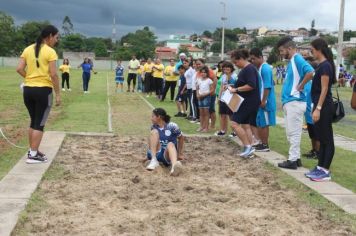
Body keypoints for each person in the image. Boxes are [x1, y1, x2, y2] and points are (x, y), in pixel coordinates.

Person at [16, 25, 61, 164]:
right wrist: (58, 94)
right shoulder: (50, 52)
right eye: (56, 37)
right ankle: (33, 155)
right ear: (49, 36)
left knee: (34, 121)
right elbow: (53, 74)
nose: (57, 40)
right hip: (43, 91)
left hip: (28, 90)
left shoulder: (27, 49)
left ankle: (33, 150)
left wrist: (29, 78)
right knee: (39, 124)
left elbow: (19, 69)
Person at [298, 38, 336, 181]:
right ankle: (320, 167)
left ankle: (325, 171)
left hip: (324, 106)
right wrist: (301, 85)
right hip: (319, 105)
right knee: (321, 137)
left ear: (319, 49)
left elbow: (325, 89)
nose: (310, 52)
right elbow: (311, 76)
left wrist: (318, 108)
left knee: (327, 139)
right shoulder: (321, 65)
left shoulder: (326, 66)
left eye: (312, 49)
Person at [276, 37, 314, 169]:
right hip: (291, 102)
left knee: (294, 132)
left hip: (295, 101)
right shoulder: (292, 61)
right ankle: (296, 158)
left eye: (282, 51)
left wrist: (301, 85)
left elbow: (310, 72)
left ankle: (292, 160)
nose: (281, 54)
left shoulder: (297, 59)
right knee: (290, 132)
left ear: (290, 48)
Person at [229, 49, 260, 158]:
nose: (235, 65)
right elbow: (243, 84)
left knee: (234, 123)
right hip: (249, 100)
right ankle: (249, 148)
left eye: (236, 62)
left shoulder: (249, 69)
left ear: (241, 58)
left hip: (248, 102)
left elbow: (251, 85)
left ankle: (247, 146)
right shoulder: (246, 69)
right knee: (246, 125)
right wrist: (232, 87)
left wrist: (236, 89)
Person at [249, 48, 277, 152]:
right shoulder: (260, 68)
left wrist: (263, 101)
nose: (252, 61)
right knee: (260, 122)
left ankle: (265, 145)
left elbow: (267, 86)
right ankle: (261, 143)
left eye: (253, 59)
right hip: (261, 101)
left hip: (265, 101)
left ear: (260, 57)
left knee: (264, 123)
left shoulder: (265, 69)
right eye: (251, 59)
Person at [146, 108, 184, 176]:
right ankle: (153, 160)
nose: (151, 118)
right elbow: (151, 143)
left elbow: (181, 138)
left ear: (159, 117)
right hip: (158, 152)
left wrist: (179, 153)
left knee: (170, 144)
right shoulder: (153, 127)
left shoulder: (172, 126)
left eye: (153, 116)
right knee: (154, 132)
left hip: (167, 155)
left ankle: (174, 167)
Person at [215, 62, 237, 136]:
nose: (225, 69)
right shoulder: (223, 76)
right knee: (222, 115)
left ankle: (234, 132)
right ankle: (223, 130)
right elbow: (221, 87)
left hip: (231, 98)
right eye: (224, 68)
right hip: (223, 98)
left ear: (231, 68)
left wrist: (228, 83)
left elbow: (235, 86)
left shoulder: (234, 76)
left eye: (227, 67)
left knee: (231, 115)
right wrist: (219, 97)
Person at [195, 58, 217, 129]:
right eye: (197, 64)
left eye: (199, 64)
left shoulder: (209, 71)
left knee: (211, 110)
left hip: (210, 94)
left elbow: (214, 81)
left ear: (203, 63)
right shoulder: (198, 72)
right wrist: (198, 94)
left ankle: (212, 125)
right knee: (202, 112)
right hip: (201, 95)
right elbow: (198, 85)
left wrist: (211, 92)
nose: (198, 65)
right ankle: (202, 126)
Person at [196, 66, 214, 132]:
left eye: (205, 72)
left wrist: (204, 94)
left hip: (206, 97)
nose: (203, 73)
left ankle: (206, 127)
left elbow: (212, 90)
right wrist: (197, 94)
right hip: (200, 97)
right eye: (202, 72)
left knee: (206, 113)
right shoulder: (198, 80)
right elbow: (197, 88)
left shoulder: (209, 80)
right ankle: (201, 126)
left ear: (207, 73)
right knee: (201, 113)